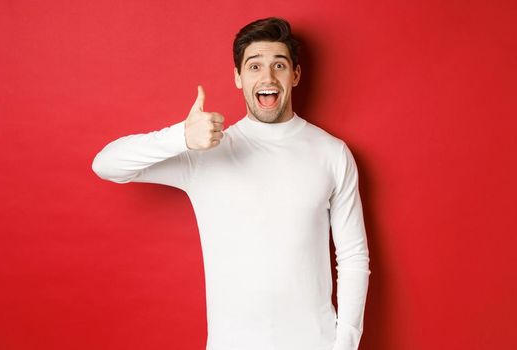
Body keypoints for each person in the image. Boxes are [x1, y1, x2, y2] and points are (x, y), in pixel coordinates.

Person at [92, 17, 370, 350]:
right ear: (238, 77)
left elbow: (353, 256)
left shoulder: (332, 153)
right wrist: (180, 137)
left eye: (278, 65)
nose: (267, 77)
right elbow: (107, 164)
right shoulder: (206, 152)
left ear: (295, 75)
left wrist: (345, 345)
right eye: (254, 66)